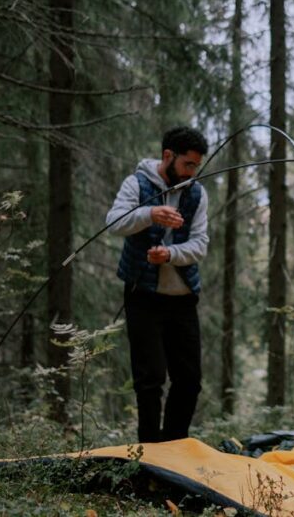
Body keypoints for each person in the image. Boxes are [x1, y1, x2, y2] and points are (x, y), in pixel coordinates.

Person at [106, 126, 210, 443]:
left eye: (196, 166)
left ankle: (175, 447)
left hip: (182, 298)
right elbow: (113, 222)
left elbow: (200, 245)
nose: (192, 172)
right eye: (187, 164)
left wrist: (170, 254)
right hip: (142, 295)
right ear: (168, 156)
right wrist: (150, 212)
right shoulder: (136, 184)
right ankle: (150, 452)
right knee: (149, 379)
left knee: (189, 379)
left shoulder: (197, 193)